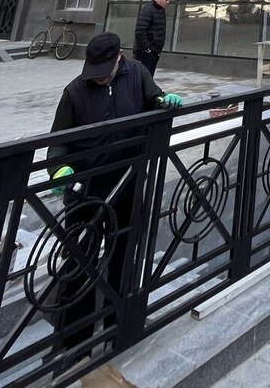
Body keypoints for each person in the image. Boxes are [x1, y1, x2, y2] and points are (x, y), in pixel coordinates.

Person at [47, 33, 183, 360]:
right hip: (87, 190)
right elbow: (58, 142)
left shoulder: (137, 73)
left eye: (104, 70)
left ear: (119, 57)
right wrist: (58, 169)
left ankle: (118, 325)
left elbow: (153, 99)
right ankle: (75, 343)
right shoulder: (75, 92)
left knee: (124, 252)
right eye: (94, 71)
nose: (100, 77)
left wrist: (164, 103)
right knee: (80, 261)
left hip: (128, 182)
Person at [133, 0, 173, 75]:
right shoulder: (147, 10)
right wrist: (147, 49)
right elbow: (140, 31)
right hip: (145, 52)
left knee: (149, 77)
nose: (168, 2)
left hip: (155, 51)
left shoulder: (161, 11)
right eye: (166, 0)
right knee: (142, 76)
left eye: (169, 0)